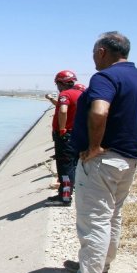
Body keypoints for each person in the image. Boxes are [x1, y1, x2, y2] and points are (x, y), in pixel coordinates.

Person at [48, 31, 137, 273]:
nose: (93, 58)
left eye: (94, 53)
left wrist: (94, 147)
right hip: (127, 160)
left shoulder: (106, 77)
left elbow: (99, 110)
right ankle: (99, 266)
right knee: (112, 216)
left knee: (95, 219)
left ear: (103, 51)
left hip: (103, 162)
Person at [44, 71, 83, 206]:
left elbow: (63, 110)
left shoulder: (65, 94)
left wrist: (62, 129)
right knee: (73, 164)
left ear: (61, 83)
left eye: (57, 84)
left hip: (66, 136)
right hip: (77, 135)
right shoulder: (79, 94)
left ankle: (65, 197)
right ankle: (68, 191)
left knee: (64, 166)